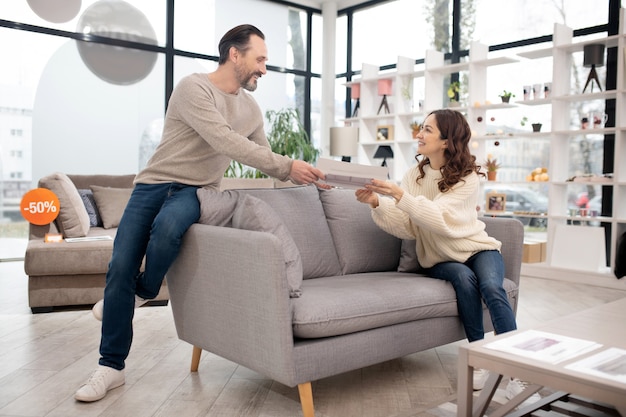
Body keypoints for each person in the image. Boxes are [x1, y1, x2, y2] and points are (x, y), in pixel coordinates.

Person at [74, 24, 325, 403]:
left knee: (168, 229)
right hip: (153, 184)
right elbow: (225, 140)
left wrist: (305, 180)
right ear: (234, 55)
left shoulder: (251, 108)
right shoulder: (194, 88)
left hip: (196, 190)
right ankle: (111, 367)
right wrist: (288, 165)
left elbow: (264, 157)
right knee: (120, 265)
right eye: (260, 59)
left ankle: (142, 291)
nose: (264, 69)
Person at [355, 109, 540, 405]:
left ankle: (518, 372)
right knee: (465, 281)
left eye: (427, 130)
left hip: (479, 248)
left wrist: (399, 196)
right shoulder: (414, 176)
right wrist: (377, 202)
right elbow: (409, 226)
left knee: (493, 287)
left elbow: (440, 218)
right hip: (441, 258)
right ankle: (479, 359)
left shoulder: (466, 177)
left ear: (445, 141)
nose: (419, 134)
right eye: (421, 128)